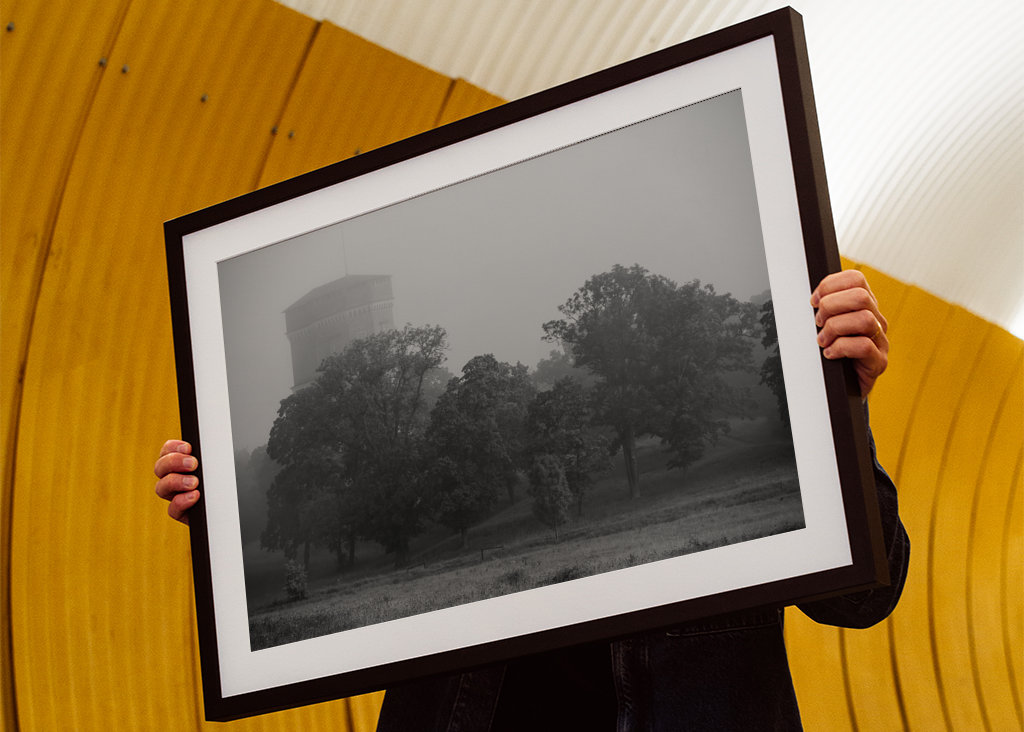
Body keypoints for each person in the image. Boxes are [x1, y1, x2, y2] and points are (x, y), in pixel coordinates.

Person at [155, 270, 909, 731]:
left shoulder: (783, 398)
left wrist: (841, 407)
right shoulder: (422, 439)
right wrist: (227, 520)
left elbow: (865, 597)